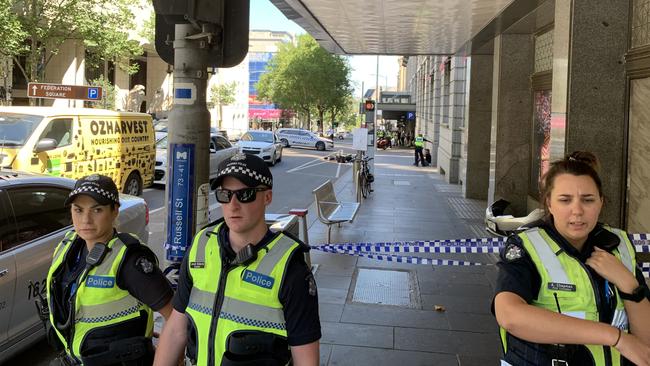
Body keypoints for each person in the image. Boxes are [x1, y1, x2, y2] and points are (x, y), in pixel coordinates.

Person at [154, 153, 321, 366]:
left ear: (267, 197)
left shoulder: (289, 267)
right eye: (225, 195)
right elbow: (177, 328)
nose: (233, 205)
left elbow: (306, 359)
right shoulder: (201, 246)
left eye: (245, 194)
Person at [493, 151, 650, 366]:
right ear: (549, 204)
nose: (577, 211)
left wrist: (627, 282)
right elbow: (510, 316)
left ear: (601, 203)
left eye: (588, 200)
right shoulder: (528, 246)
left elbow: (645, 342)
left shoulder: (618, 246)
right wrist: (615, 337)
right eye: (565, 200)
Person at [46, 174, 174, 366]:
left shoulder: (130, 260)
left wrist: (168, 356)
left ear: (115, 211)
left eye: (97, 210)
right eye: (78, 210)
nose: (86, 220)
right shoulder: (68, 245)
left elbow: (175, 316)